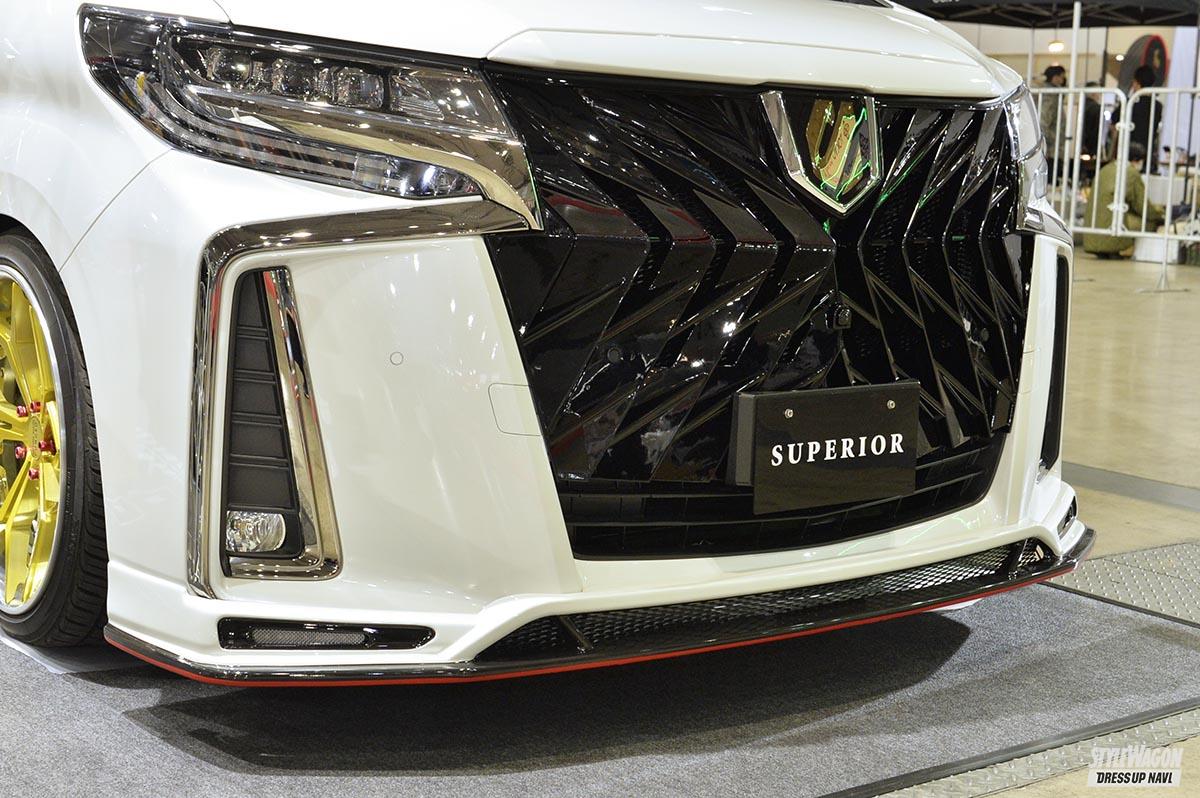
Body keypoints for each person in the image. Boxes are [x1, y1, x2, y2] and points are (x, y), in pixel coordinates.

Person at [1082, 142, 1165, 258]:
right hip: (1111, 227)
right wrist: (1161, 215)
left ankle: (1107, 249)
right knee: (1149, 222)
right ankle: (1118, 247)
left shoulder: (1105, 169)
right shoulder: (1131, 173)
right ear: (1136, 160)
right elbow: (1142, 207)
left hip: (1091, 233)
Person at [1113, 65, 1163, 174]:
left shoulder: (1128, 103)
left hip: (1127, 152)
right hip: (1148, 154)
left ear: (1136, 83)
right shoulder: (1157, 106)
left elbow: (1114, 120)